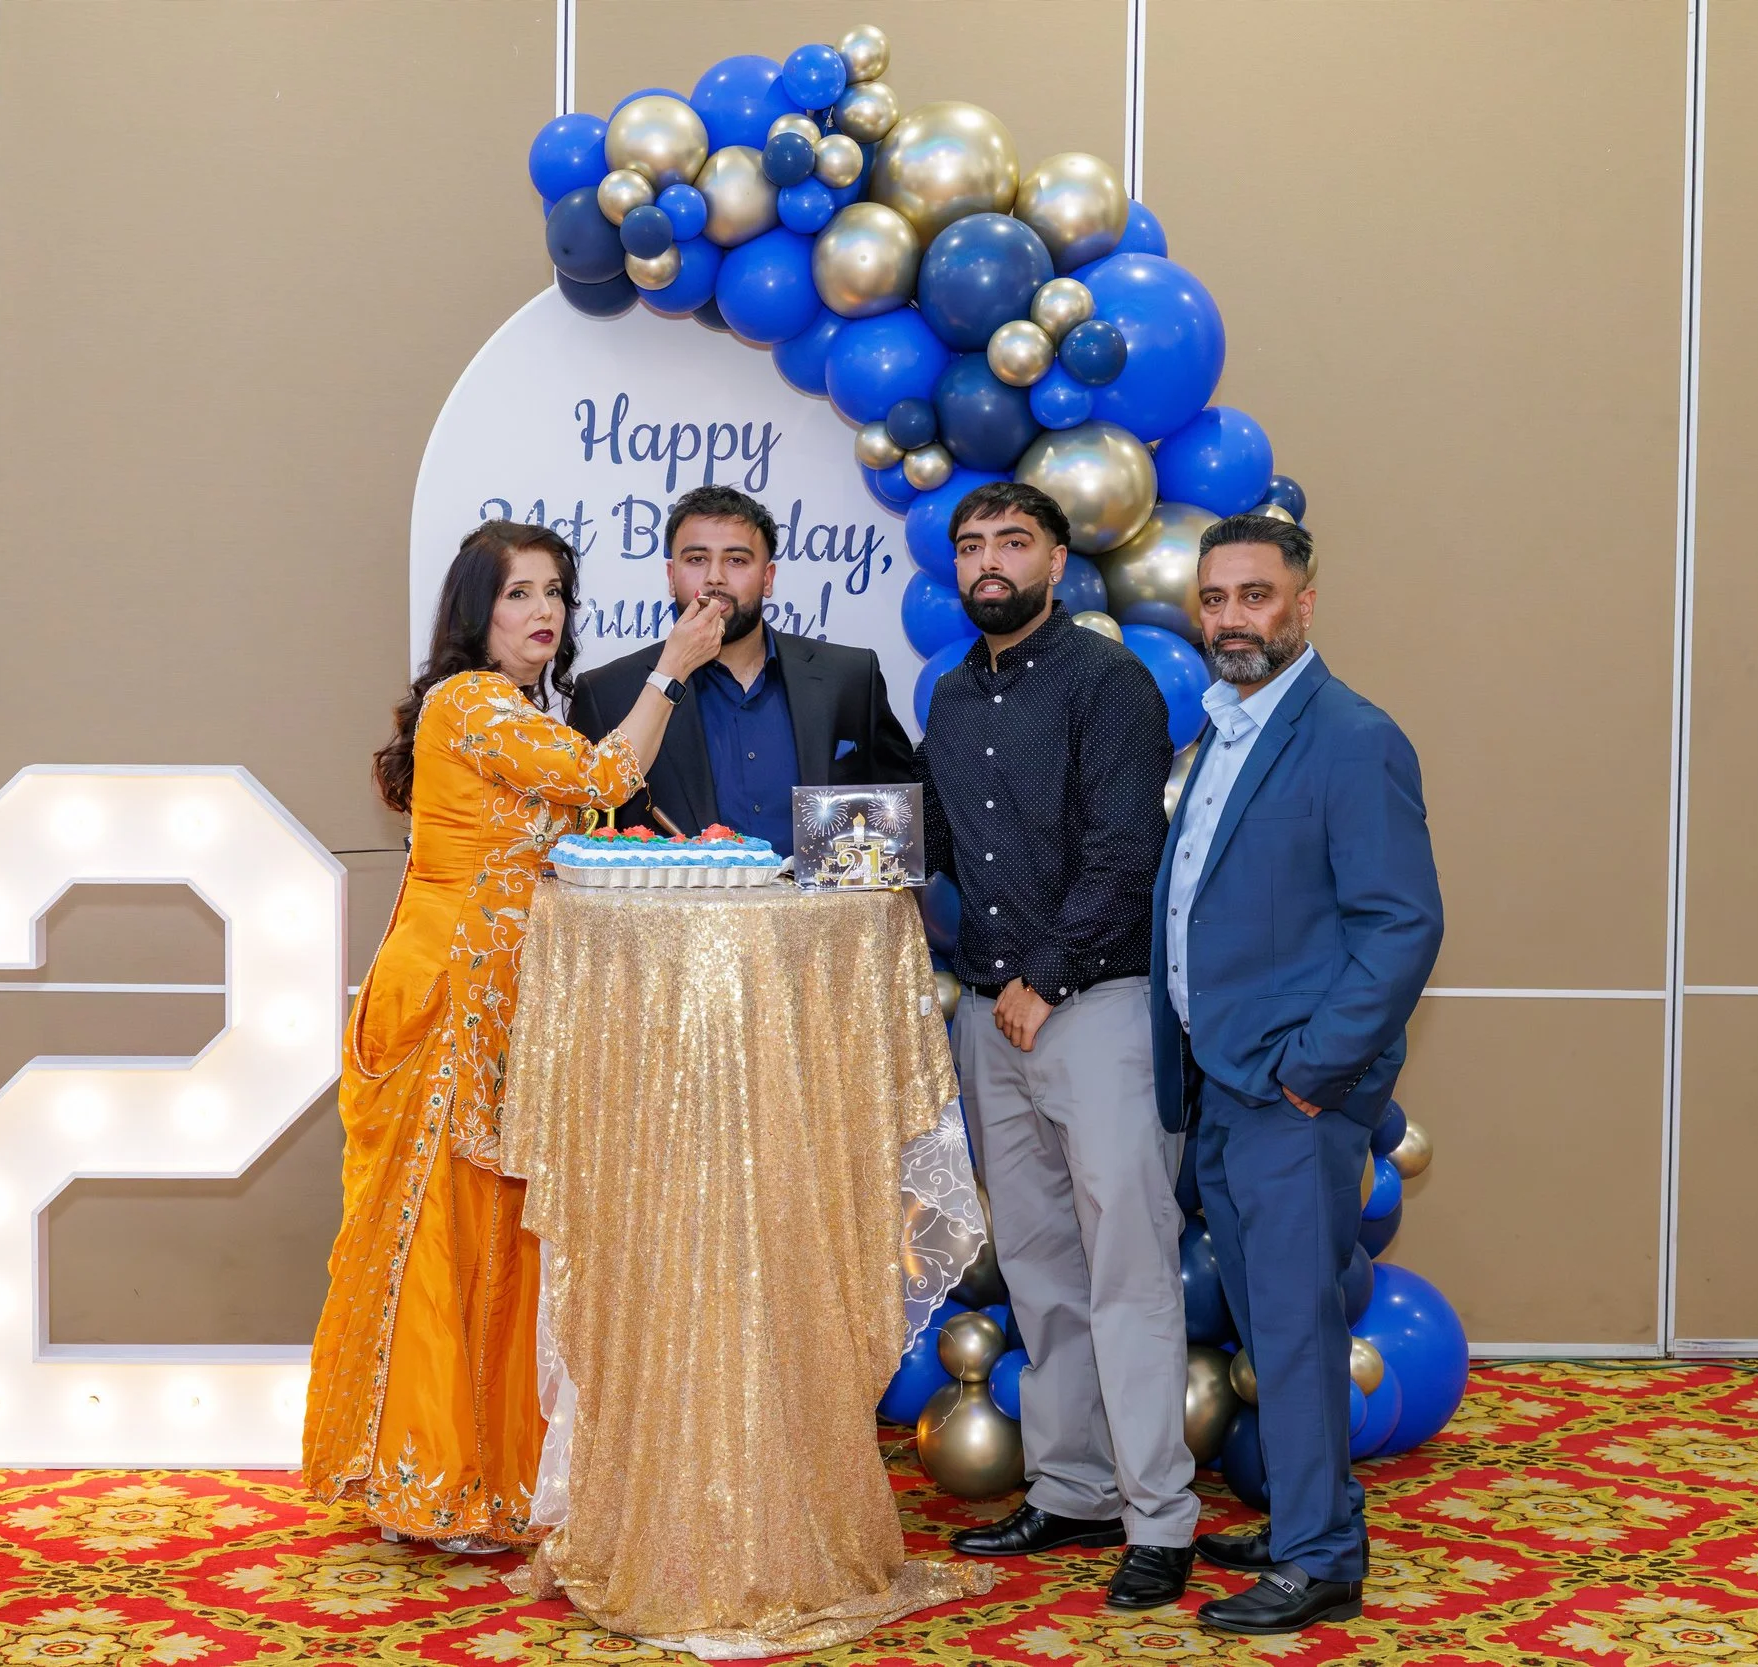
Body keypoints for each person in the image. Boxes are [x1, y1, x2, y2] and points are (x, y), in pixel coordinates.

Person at [301, 521, 728, 1552]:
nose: (543, 613)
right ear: (474, 613)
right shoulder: (472, 702)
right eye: (518, 595)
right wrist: (671, 669)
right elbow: (607, 775)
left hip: (502, 998)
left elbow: (576, 823)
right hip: (450, 998)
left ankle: (480, 1471)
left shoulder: (510, 707)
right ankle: (434, 1480)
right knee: (443, 1229)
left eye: (555, 592)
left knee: (493, 1230)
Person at [1150, 513, 1444, 1634]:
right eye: (1215, 597)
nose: (1232, 617)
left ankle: (1319, 1556)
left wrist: (1313, 1071)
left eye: (1255, 596)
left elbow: (1402, 923)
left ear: (1303, 604)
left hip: (1286, 1091)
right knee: (1274, 1323)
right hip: (1219, 1080)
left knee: (1296, 1324)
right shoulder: (1222, 730)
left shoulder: (1351, 736)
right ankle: (1305, 1519)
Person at [919, 480, 1201, 1611]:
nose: (989, 560)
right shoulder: (947, 697)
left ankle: (1159, 1518)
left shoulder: (1108, 682)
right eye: (972, 544)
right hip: (995, 1020)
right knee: (1040, 1270)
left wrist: (1044, 976)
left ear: (1055, 559)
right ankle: (1074, 1484)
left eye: (1011, 542)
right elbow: (932, 846)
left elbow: (1125, 853)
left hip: (1095, 1011)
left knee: (1127, 1266)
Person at [569, 483, 914, 850]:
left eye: (736, 560)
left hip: (821, 907)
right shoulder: (609, 693)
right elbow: (586, 843)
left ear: (768, 579)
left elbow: (901, 818)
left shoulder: (849, 677)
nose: (715, 577)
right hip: (677, 907)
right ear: (671, 577)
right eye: (696, 559)